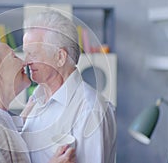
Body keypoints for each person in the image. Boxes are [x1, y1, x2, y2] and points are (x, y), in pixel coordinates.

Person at [21, 10, 117, 163]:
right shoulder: (35, 102)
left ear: (60, 57)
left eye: (33, 54)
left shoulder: (90, 109)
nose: (25, 62)